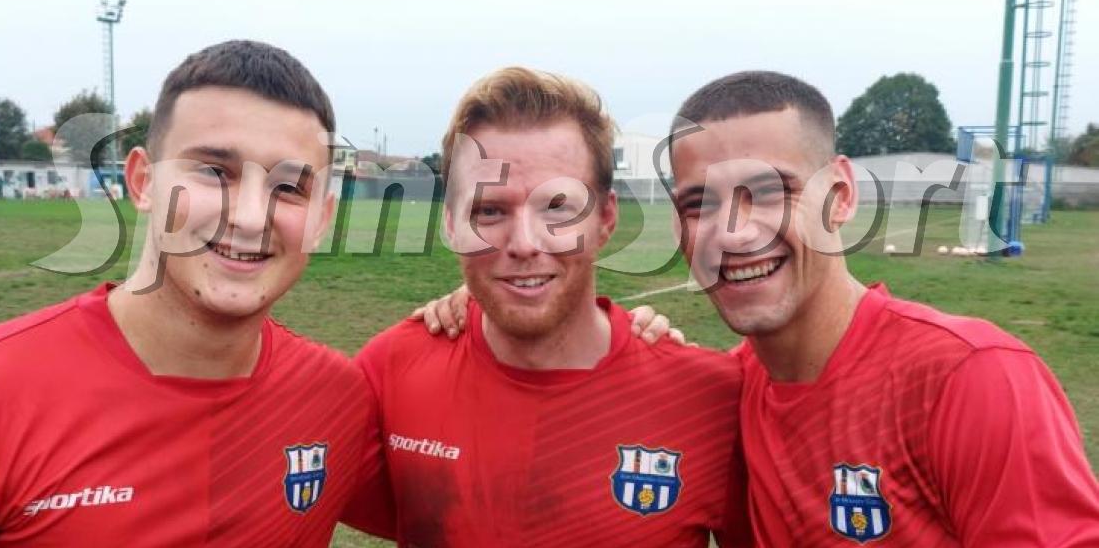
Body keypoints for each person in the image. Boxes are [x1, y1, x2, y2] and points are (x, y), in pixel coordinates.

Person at [0, 40, 402, 546]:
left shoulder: (335, 399)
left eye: (289, 188)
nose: (251, 215)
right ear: (142, 181)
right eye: (215, 172)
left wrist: (491, 319)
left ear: (321, 220)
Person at [667, 70, 1099, 546]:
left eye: (771, 192)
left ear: (841, 195)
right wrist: (647, 357)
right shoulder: (727, 399)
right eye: (699, 204)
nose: (732, 231)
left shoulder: (969, 379)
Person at [356, 67, 750, 546]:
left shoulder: (711, 398)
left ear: (605, 218)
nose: (524, 243)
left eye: (557, 207)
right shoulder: (389, 371)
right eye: (491, 210)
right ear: (452, 225)